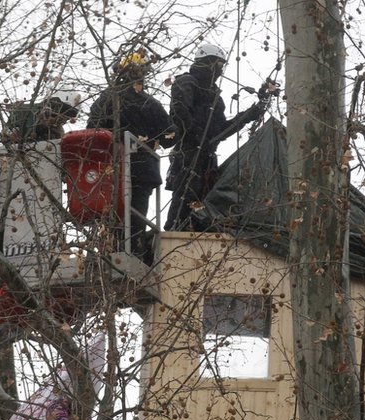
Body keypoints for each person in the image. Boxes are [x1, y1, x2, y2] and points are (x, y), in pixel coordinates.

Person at [164, 42, 275, 231]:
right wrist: (195, 134)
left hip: (207, 154)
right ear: (207, 62)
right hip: (189, 150)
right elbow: (179, 110)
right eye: (218, 65)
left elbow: (222, 130)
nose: (220, 71)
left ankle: (191, 230)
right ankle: (174, 231)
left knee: (203, 195)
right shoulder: (187, 82)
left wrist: (252, 113)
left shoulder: (215, 96)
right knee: (187, 192)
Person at [87, 49, 176, 262]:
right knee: (135, 219)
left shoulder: (107, 98)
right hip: (142, 172)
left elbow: (92, 132)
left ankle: (113, 255)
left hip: (111, 172)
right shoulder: (150, 103)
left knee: (112, 218)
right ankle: (134, 253)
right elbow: (171, 135)